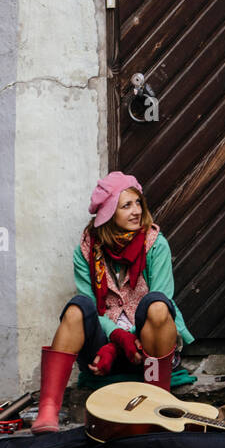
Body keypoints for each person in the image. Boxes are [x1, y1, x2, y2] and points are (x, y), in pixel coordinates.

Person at [32, 170, 194, 432]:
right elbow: (92, 307)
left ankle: (157, 400)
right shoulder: (86, 250)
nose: (136, 211)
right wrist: (116, 340)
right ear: (108, 214)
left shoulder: (155, 244)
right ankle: (48, 408)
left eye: (138, 203)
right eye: (126, 205)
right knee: (78, 307)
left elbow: (165, 303)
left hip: (148, 348)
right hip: (102, 354)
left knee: (157, 303)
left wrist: (128, 340)